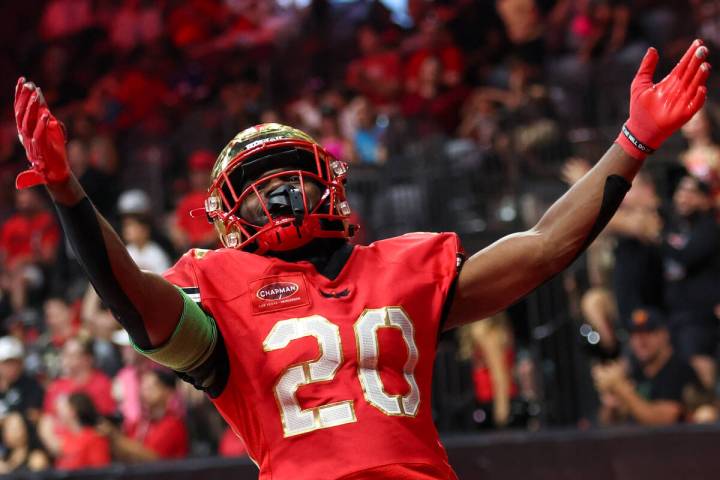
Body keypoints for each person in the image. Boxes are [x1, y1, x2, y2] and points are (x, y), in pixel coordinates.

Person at [11, 39, 711, 479]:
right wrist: (69, 194)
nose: (280, 191)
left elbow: (543, 248)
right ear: (227, 218)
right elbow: (133, 300)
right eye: (257, 186)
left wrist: (633, 141)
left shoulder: (398, 267)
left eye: (293, 173)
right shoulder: (216, 290)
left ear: (330, 182)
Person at [592, 307, 700, 425]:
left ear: (664, 334)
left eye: (648, 333)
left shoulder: (679, 370)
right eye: (635, 334)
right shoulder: (634, 371)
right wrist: (610, 405)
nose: (640, 341)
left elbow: (662, 422)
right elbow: (606, 425)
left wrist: (621, 388)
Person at [103, 368, 189, 462]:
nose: (144, 393)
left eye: (150, 388)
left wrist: (115, 436)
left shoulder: (173, 424)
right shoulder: (140, 422)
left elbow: (153, 459)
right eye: (143, 388)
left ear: (168, 392)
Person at [0, 336, 44, 422]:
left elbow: (33, 415)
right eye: (7, 363)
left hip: (20, 431)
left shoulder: (31, 386)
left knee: (14, 422)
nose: (12, 367)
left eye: (16, 362)